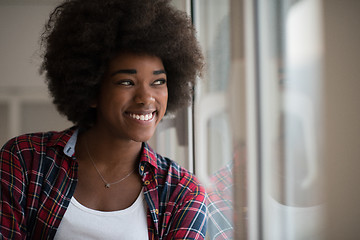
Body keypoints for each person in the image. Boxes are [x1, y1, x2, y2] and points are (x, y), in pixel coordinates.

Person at [0, 0, 207, 239]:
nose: (146, 98)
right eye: (126, 82)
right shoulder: (25, 161)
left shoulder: (181, 192)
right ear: (91, 91)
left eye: (158, 82)